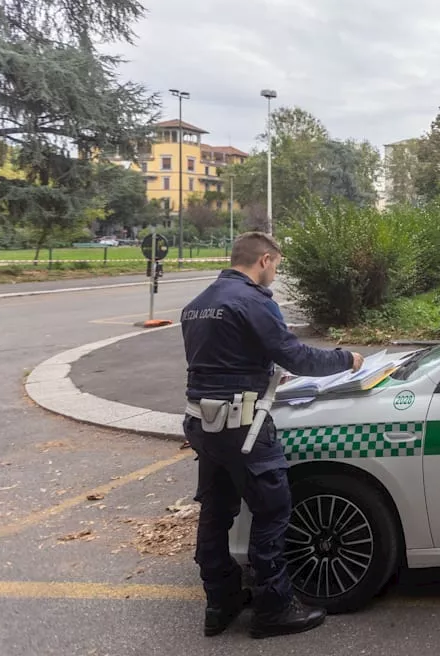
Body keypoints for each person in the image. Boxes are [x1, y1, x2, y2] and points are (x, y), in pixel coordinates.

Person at [181, 232, 363, 639]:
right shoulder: (252, 302)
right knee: (272, 511)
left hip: (201, 424)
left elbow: (220, 363)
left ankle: (220, 602)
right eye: (276, 266)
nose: (275, 274)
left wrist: (258, 372)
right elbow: (295, 355)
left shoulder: (197, 305)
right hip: (243, 426)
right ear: (264, 260)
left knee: (215, 512)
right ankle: (274, 608)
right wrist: (345, 359)